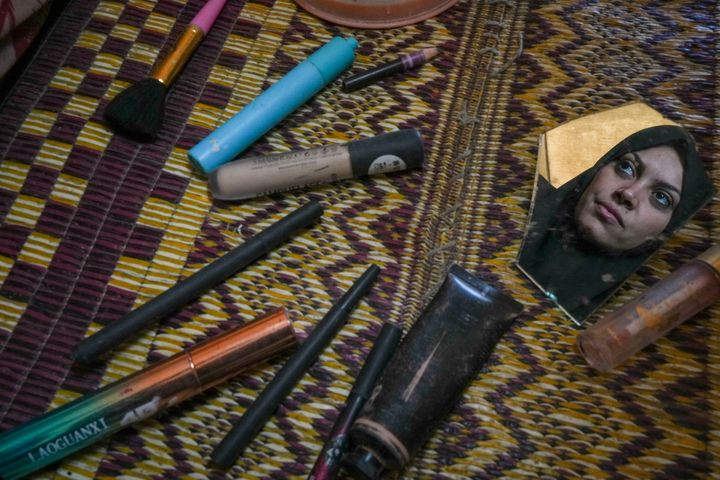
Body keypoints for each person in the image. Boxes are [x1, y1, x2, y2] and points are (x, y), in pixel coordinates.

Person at [517, 124, 713, 323]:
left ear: (670, 228)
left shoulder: (622, 325)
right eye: (626, 167)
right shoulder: (512, 216)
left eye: (661, 198)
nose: (628, 193)